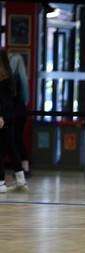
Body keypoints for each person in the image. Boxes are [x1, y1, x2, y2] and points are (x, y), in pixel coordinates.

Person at [0, 48, 28, 193]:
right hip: (12, 114)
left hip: (2, 115)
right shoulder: (11, 76)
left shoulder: (0, 77)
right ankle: (21, 179)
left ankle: (0, 182)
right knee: (11, 146)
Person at [9, 51, 31, 178]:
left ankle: (22, 168)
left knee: (13, 140)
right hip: (22, 112)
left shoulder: (13, 79)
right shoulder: (23, 79)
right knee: (18, 139)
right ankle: (24, 166)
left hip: (14, 113)